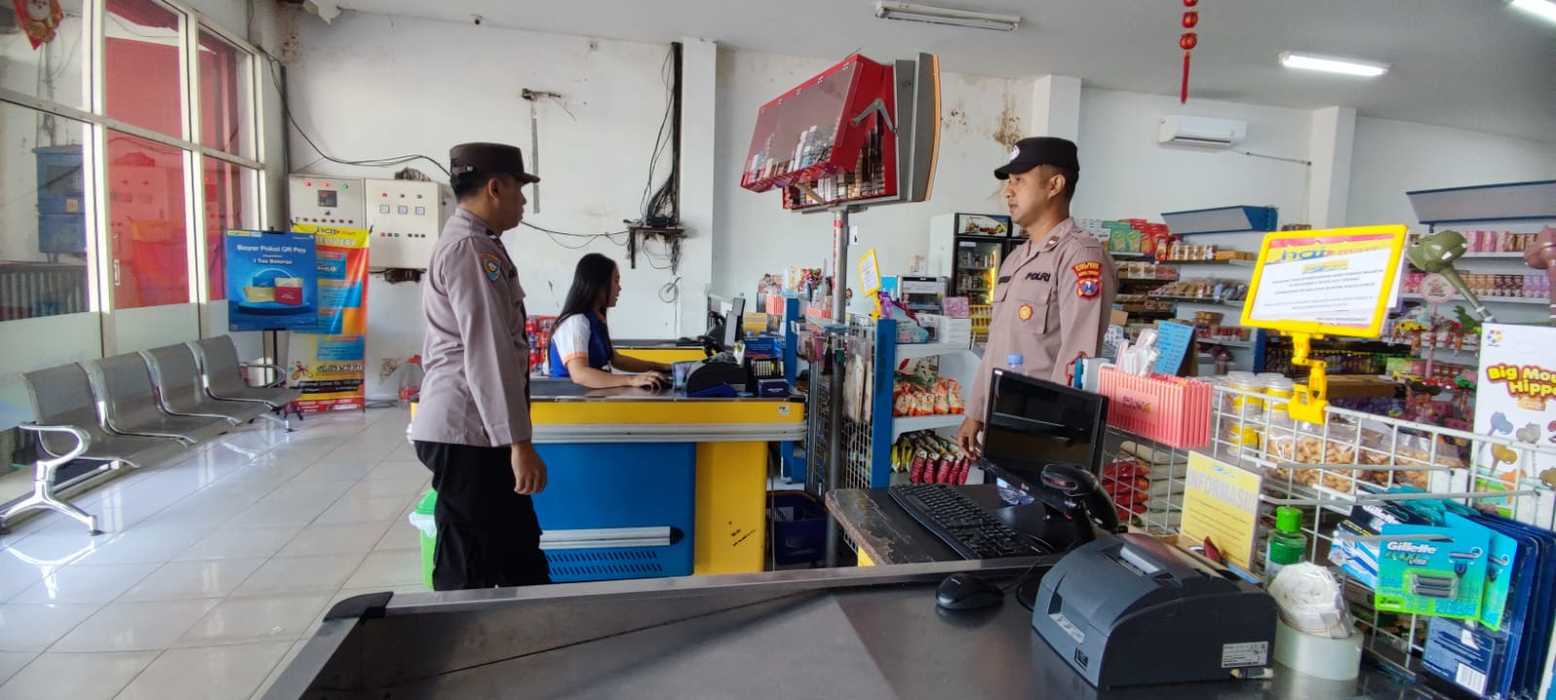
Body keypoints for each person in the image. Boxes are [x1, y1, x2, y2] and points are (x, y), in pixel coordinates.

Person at [410, 142, 551, 590]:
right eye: (518, 189)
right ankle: (459, 630)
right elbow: (488, 351)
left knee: (517, 550)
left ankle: (530, 624)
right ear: (495, 188)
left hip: (475, 427)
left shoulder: (474, 244)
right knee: (470, 562)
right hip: (469, 430)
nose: (522, 201)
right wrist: (518, 443)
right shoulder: (472, 250)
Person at [958, 136, 1117, 458]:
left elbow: (1079, 357)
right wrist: (975, 411)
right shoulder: (1016, 259)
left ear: (1054, 185)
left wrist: (1049, 439)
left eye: (1019, 180)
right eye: (1009, 182)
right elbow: (997, 344)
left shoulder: (1080, 256)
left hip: (1041, 433)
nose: (1008, 191)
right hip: (1002, 423)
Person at [547, 253, 671, 390]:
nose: (619, 288)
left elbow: (617, 360)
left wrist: (663, 367)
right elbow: (580, 374)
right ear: (599, 284)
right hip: (569, 400)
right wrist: (631, 379)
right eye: (616, 281)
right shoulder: (576, 322)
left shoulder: (596, 319)